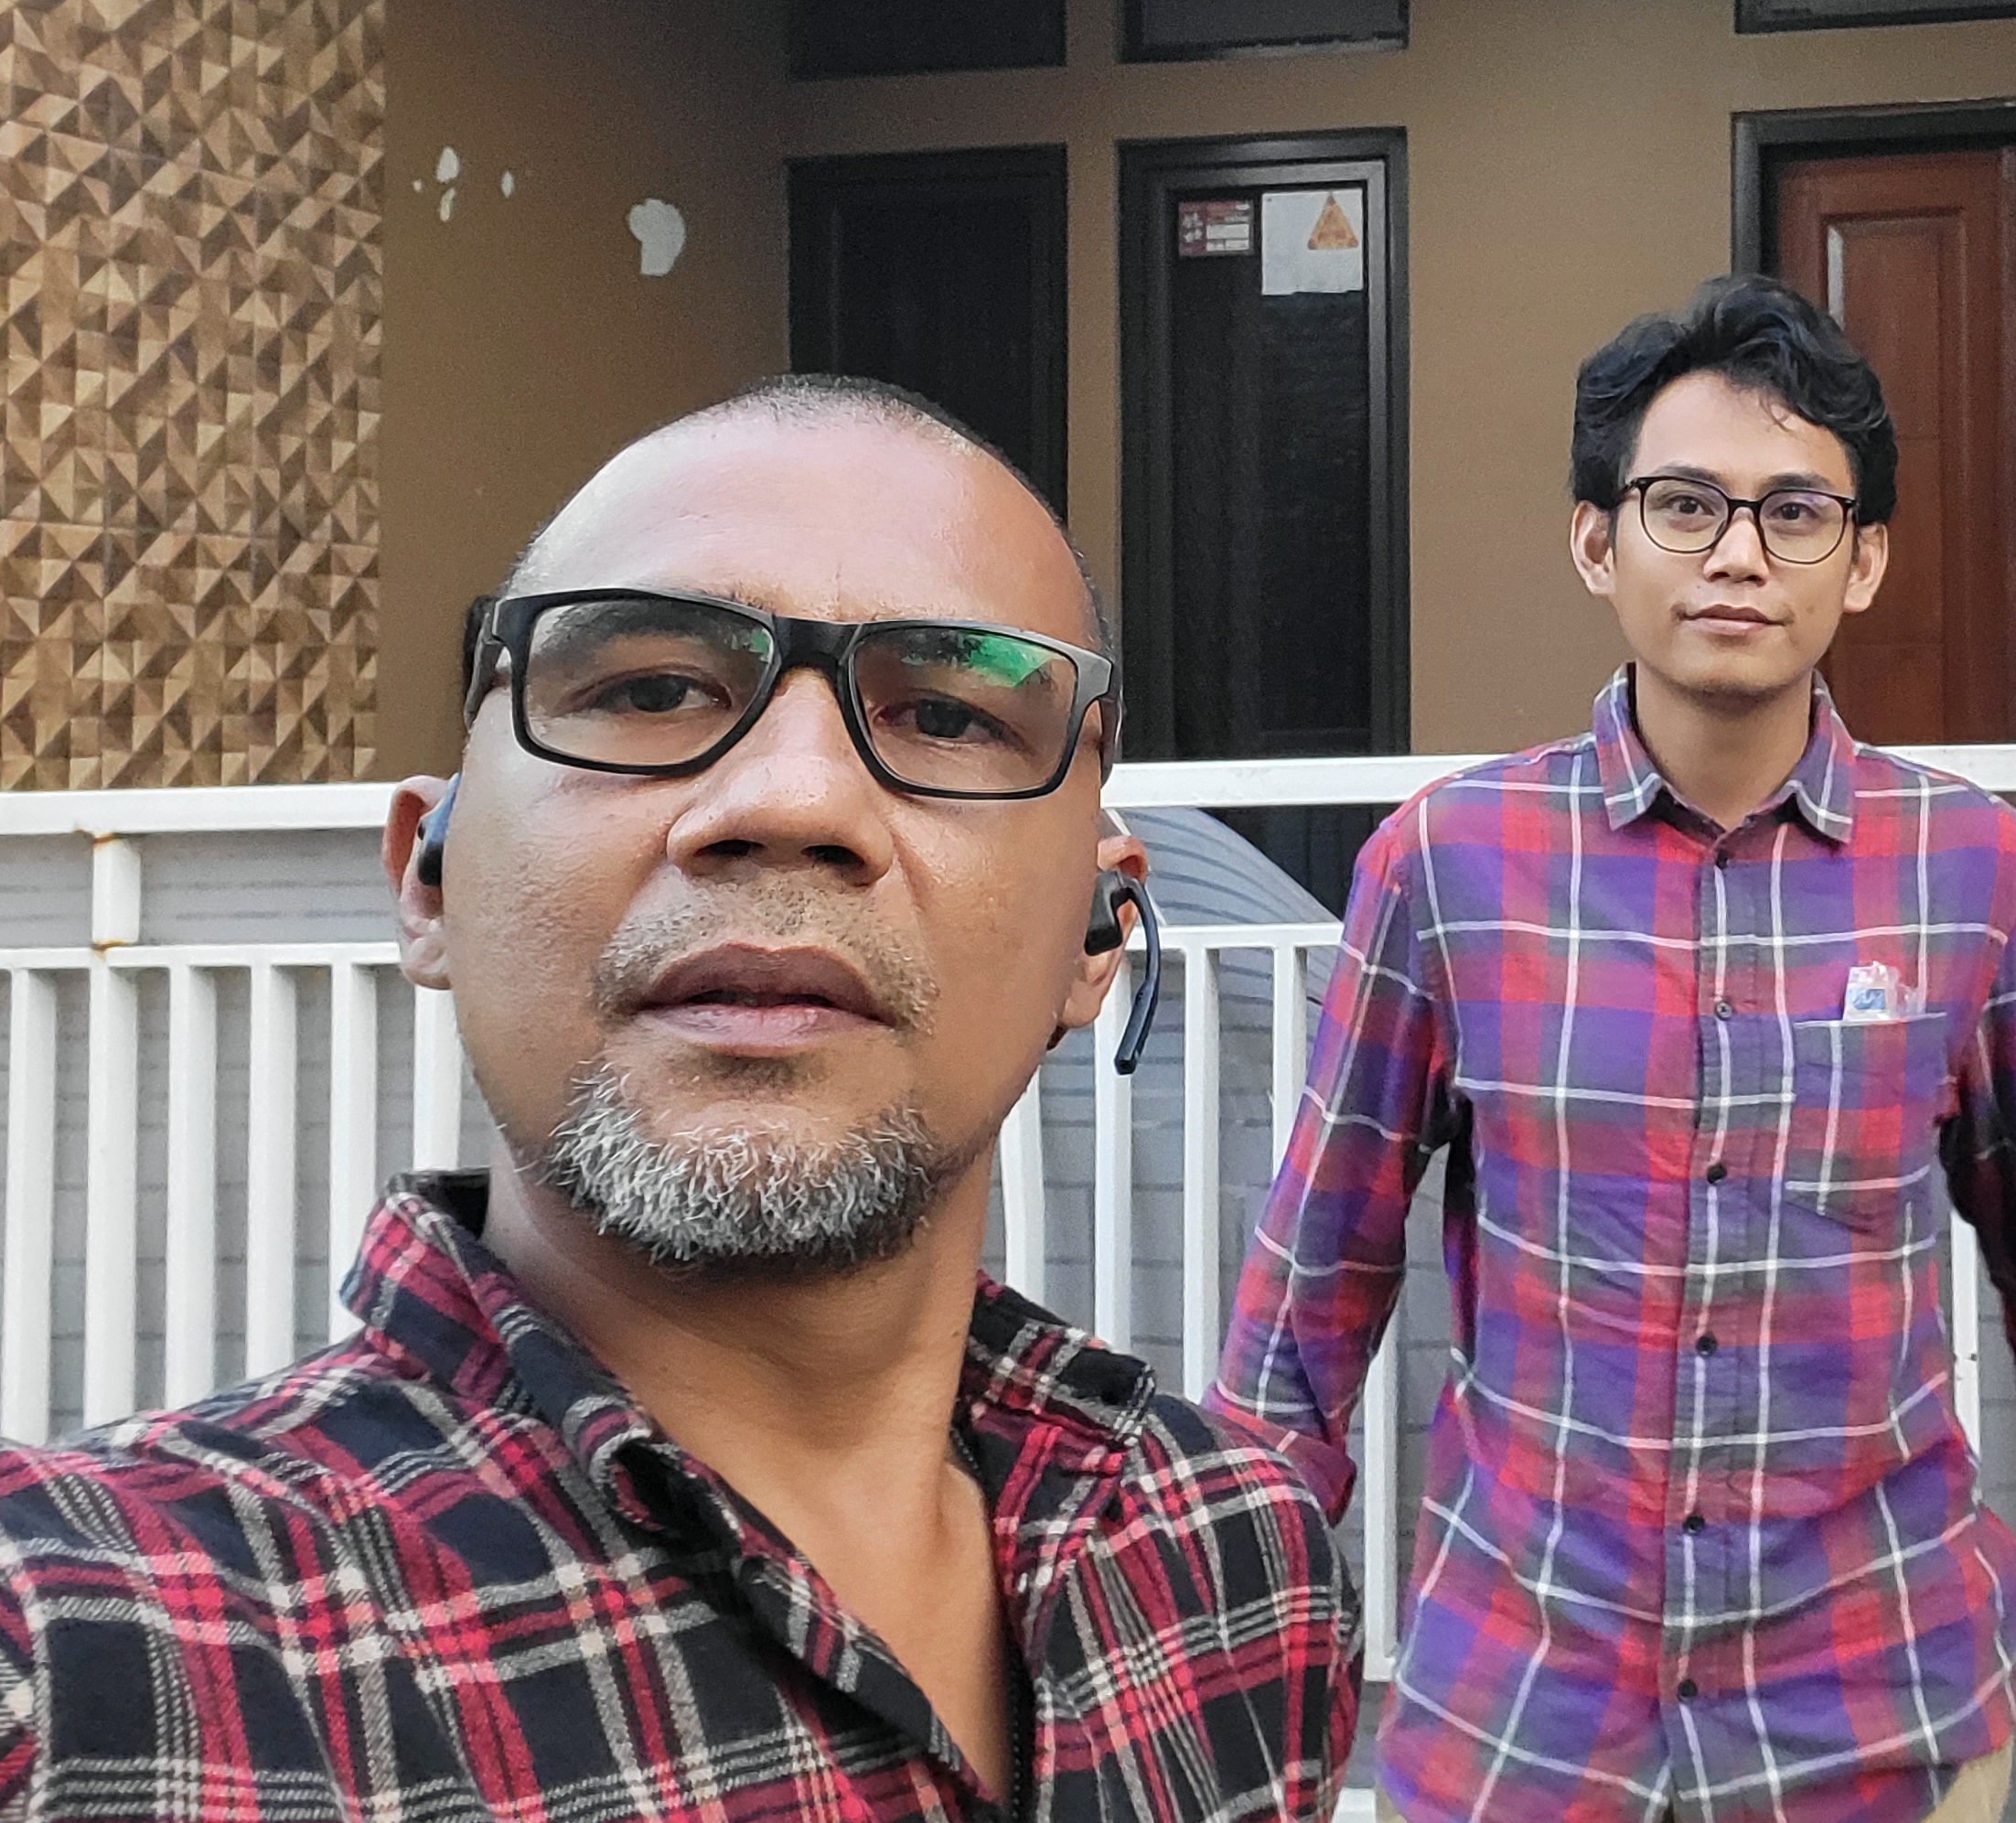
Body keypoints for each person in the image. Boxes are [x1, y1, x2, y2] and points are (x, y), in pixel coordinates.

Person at [0, 377, 1357, 1822]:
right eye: (648, 691)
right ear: (429, 878)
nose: (791, 803)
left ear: (1096, 935)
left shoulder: (1239, 1560)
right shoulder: (86, 1650)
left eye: (948, 714)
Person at [1217, 277, 2016, 1823]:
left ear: (1864, 560)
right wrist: (1240, 1648)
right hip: (1524, 1713)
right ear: (1595, 541)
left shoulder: (1977, 874)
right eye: (1685, 505)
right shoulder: (1448, 863)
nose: (1739, 553)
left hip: (1877, 1707)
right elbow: (1312, 1290)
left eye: (1796, 512)